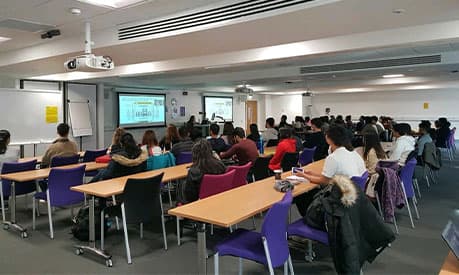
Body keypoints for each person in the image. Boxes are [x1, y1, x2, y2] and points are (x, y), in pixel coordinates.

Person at [294, 125, 366, 215]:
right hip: (352, 196)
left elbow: (324, 181)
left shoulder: (333, 157)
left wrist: (304, 176)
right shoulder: (353, 153)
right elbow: (330, 177)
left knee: (302, 196)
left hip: (338, 200)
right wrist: (312, 174)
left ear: (328, 139)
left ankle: (309, 218)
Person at [177, 139, 226, 204]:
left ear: (195, 154)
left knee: (182, 183)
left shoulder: (193, 172)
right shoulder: (221, 166)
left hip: (199, 204)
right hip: (219, 200)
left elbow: (190, 197)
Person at [363, 134, 387, 198]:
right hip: (380, 176)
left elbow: (372, 169)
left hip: (374, 177)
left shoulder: (371, 152)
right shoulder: (380, 150)